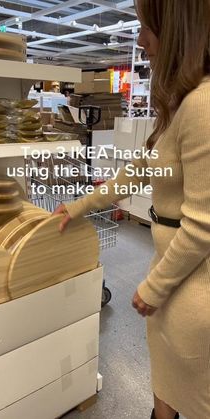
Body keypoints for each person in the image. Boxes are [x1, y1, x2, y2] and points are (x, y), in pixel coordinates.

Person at [54, 1, 210, 418]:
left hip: (193, 289)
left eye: (147, 27)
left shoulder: (203, 105)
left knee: (191, 395)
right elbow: (140, 170)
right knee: (166, 386)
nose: (141, 41)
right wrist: (80, 205)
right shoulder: (184, 102)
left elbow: (202, 226)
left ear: (177, 31)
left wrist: (154, 286)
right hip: (176, 274)